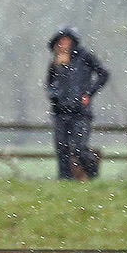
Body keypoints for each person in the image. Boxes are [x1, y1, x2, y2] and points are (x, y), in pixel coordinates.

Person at [46, 27, 107, 180]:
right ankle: (65, 181)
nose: (63, 44)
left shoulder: (85, 57)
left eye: (66, 40)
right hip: (60, 113)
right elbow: (49, 85)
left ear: (72, 41)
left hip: (81, 112)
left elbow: (103, 74)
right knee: (62, 148)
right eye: (60, 42)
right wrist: (54, 96)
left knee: (79, 148)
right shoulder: (55, 63)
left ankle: (92, 173)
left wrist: (89, 93)